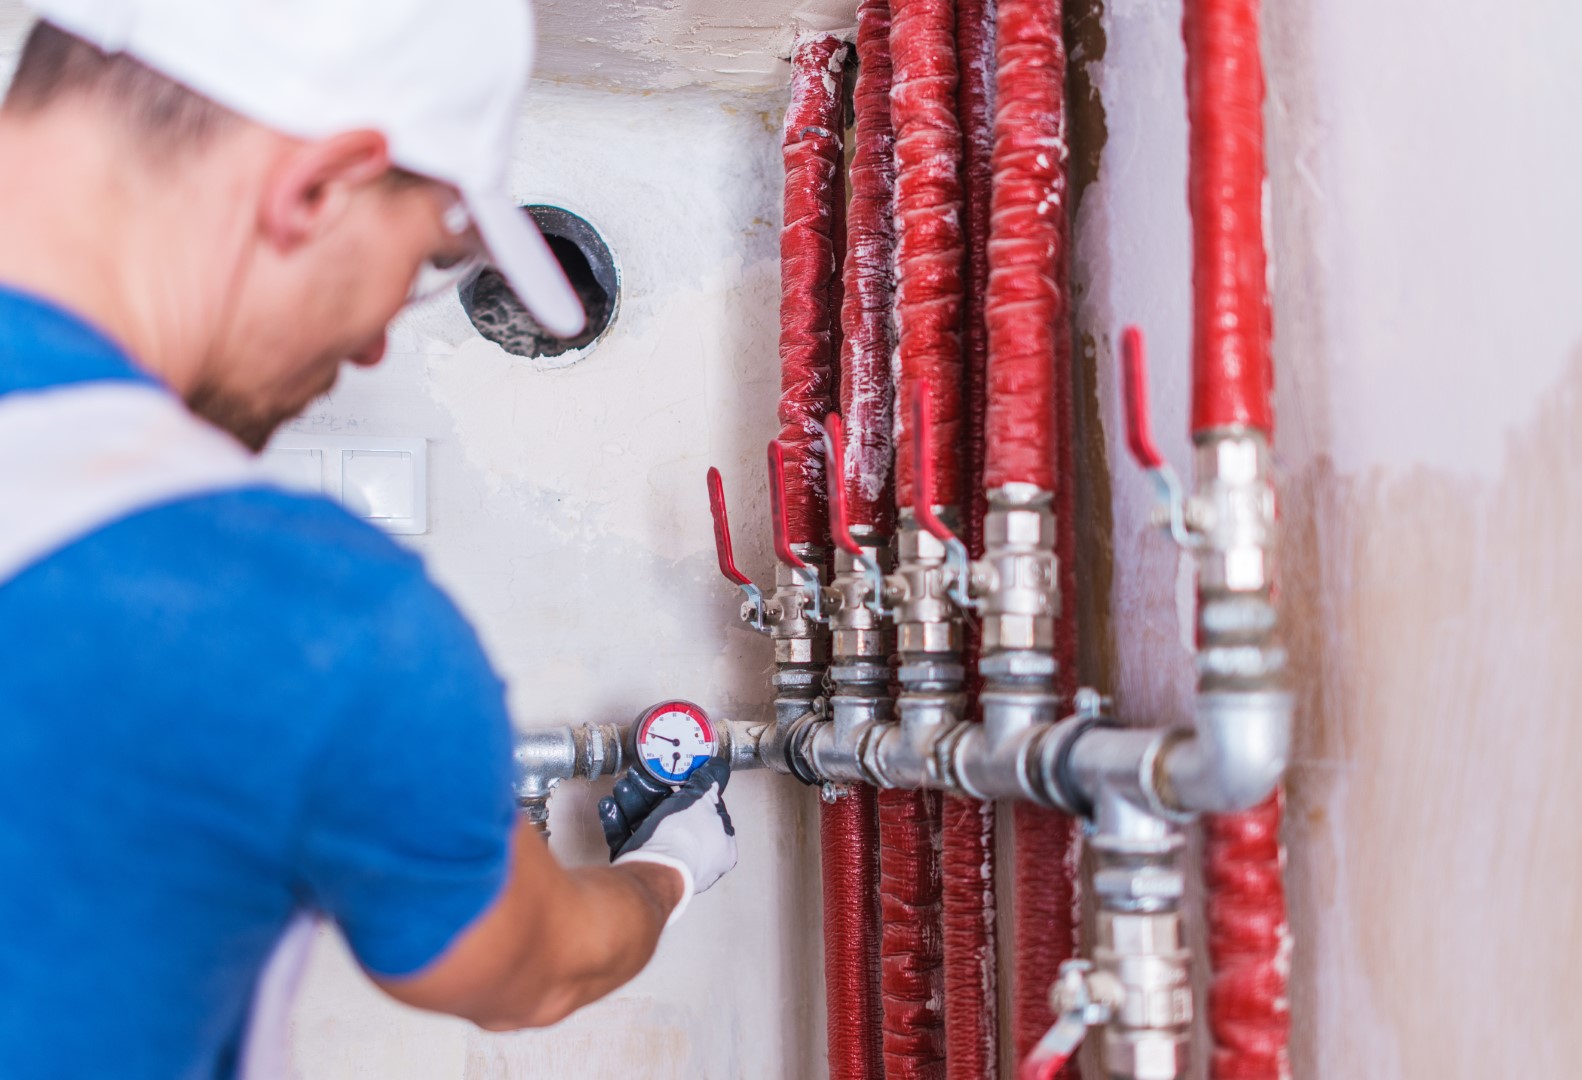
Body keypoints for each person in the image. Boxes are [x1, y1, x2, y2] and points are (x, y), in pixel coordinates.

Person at [0, 1, 738, 1077]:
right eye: (431, 257)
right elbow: (532, 970)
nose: (379, 333)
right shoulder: (298, 612)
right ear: (320, 188)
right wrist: (672, 866)